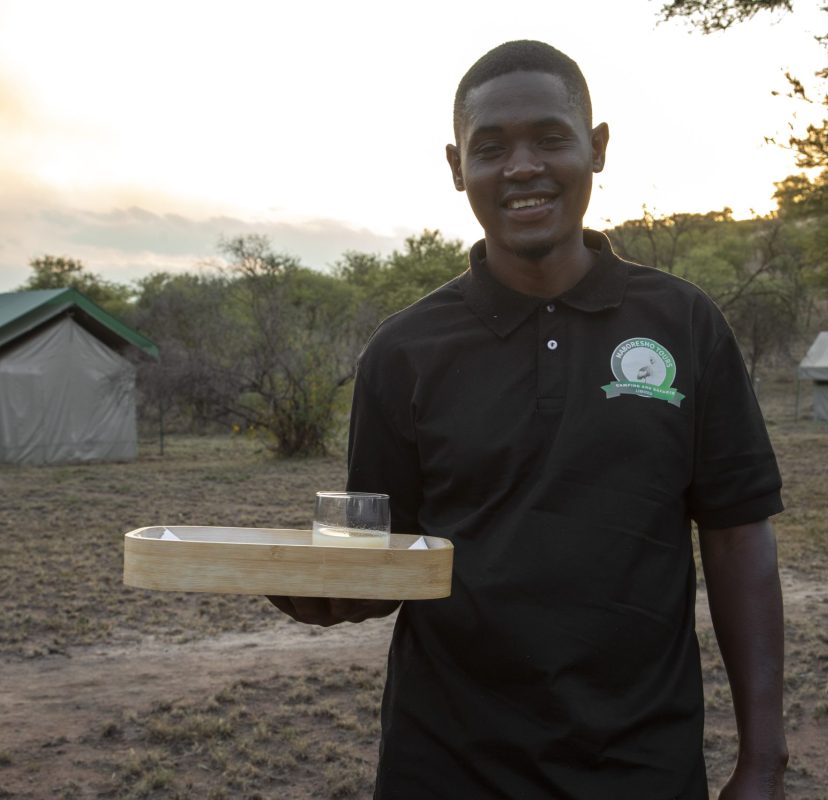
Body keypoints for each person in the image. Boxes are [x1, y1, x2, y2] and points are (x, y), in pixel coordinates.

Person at [269, 40, 788, 800]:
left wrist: (763, 760)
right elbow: (389, 555)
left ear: (596, 148)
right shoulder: (403, 351)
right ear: (456, 167)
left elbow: (739, 535)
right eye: (491, 148)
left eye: (550, 138)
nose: (522, 167)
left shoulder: (683, 323)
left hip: (641, 765)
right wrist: (332, 592)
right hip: (446, 764)